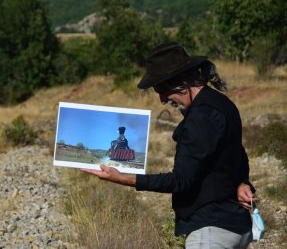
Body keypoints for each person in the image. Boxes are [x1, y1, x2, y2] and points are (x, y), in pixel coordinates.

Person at [82, 42, 257, 248]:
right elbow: (237, 154)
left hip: (211, 232)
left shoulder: (201, 117)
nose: (162, 100)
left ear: (181, 80)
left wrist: (123, 178)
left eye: (162, 91)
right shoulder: (221, 104)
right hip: (235, 226)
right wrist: (242, 182)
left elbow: (181, 181)